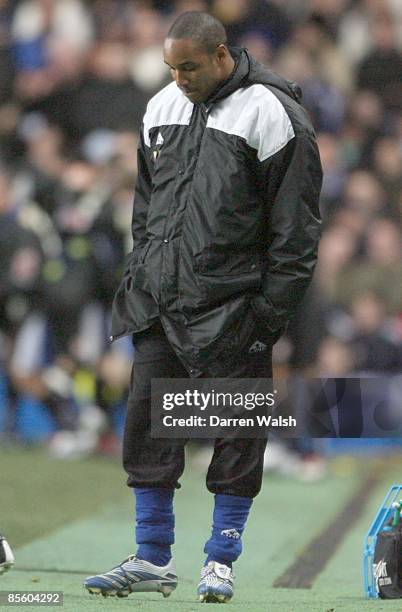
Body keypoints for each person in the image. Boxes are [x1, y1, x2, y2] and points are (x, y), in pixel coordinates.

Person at [84, 10, 322, 604]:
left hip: (236, 306)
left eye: (188, 66)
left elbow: (296, 233)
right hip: (161, 301)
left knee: (238, 432)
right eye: (170, 67)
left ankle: (221, 561)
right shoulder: (160, 106)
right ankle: (151, 556)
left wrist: (267, 318)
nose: (178, 78)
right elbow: (146, 204)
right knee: (146, 428)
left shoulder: (272, 112)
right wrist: (143, 275)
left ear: (221, 55)